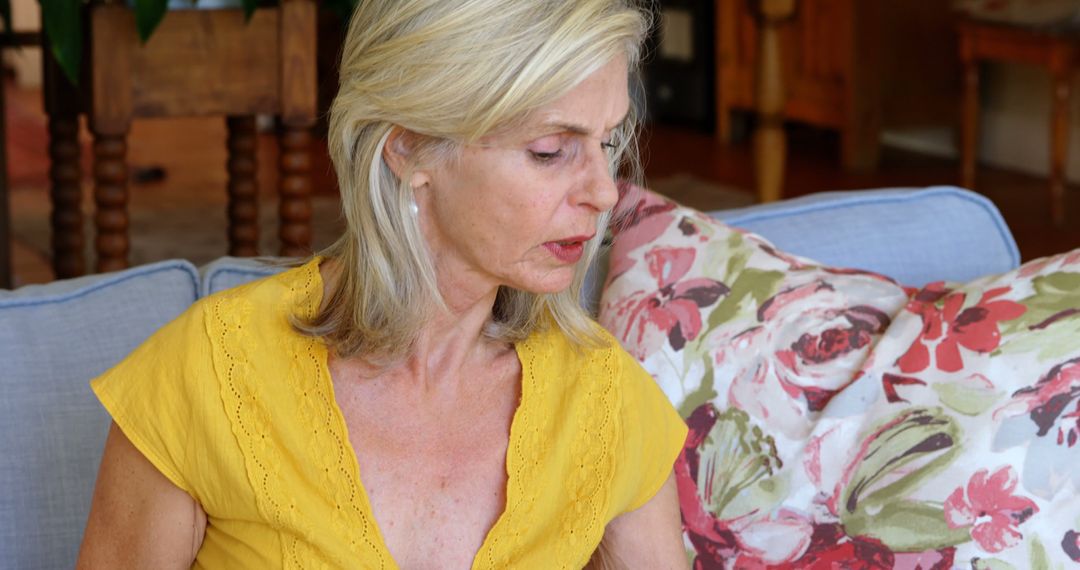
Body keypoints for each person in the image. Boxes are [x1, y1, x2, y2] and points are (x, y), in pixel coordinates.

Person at [76, 0, 689, 567]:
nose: (605, 191)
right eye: (551, 150)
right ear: (409, 146)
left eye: (607, 142)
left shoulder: (604, 400)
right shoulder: (205, 375)